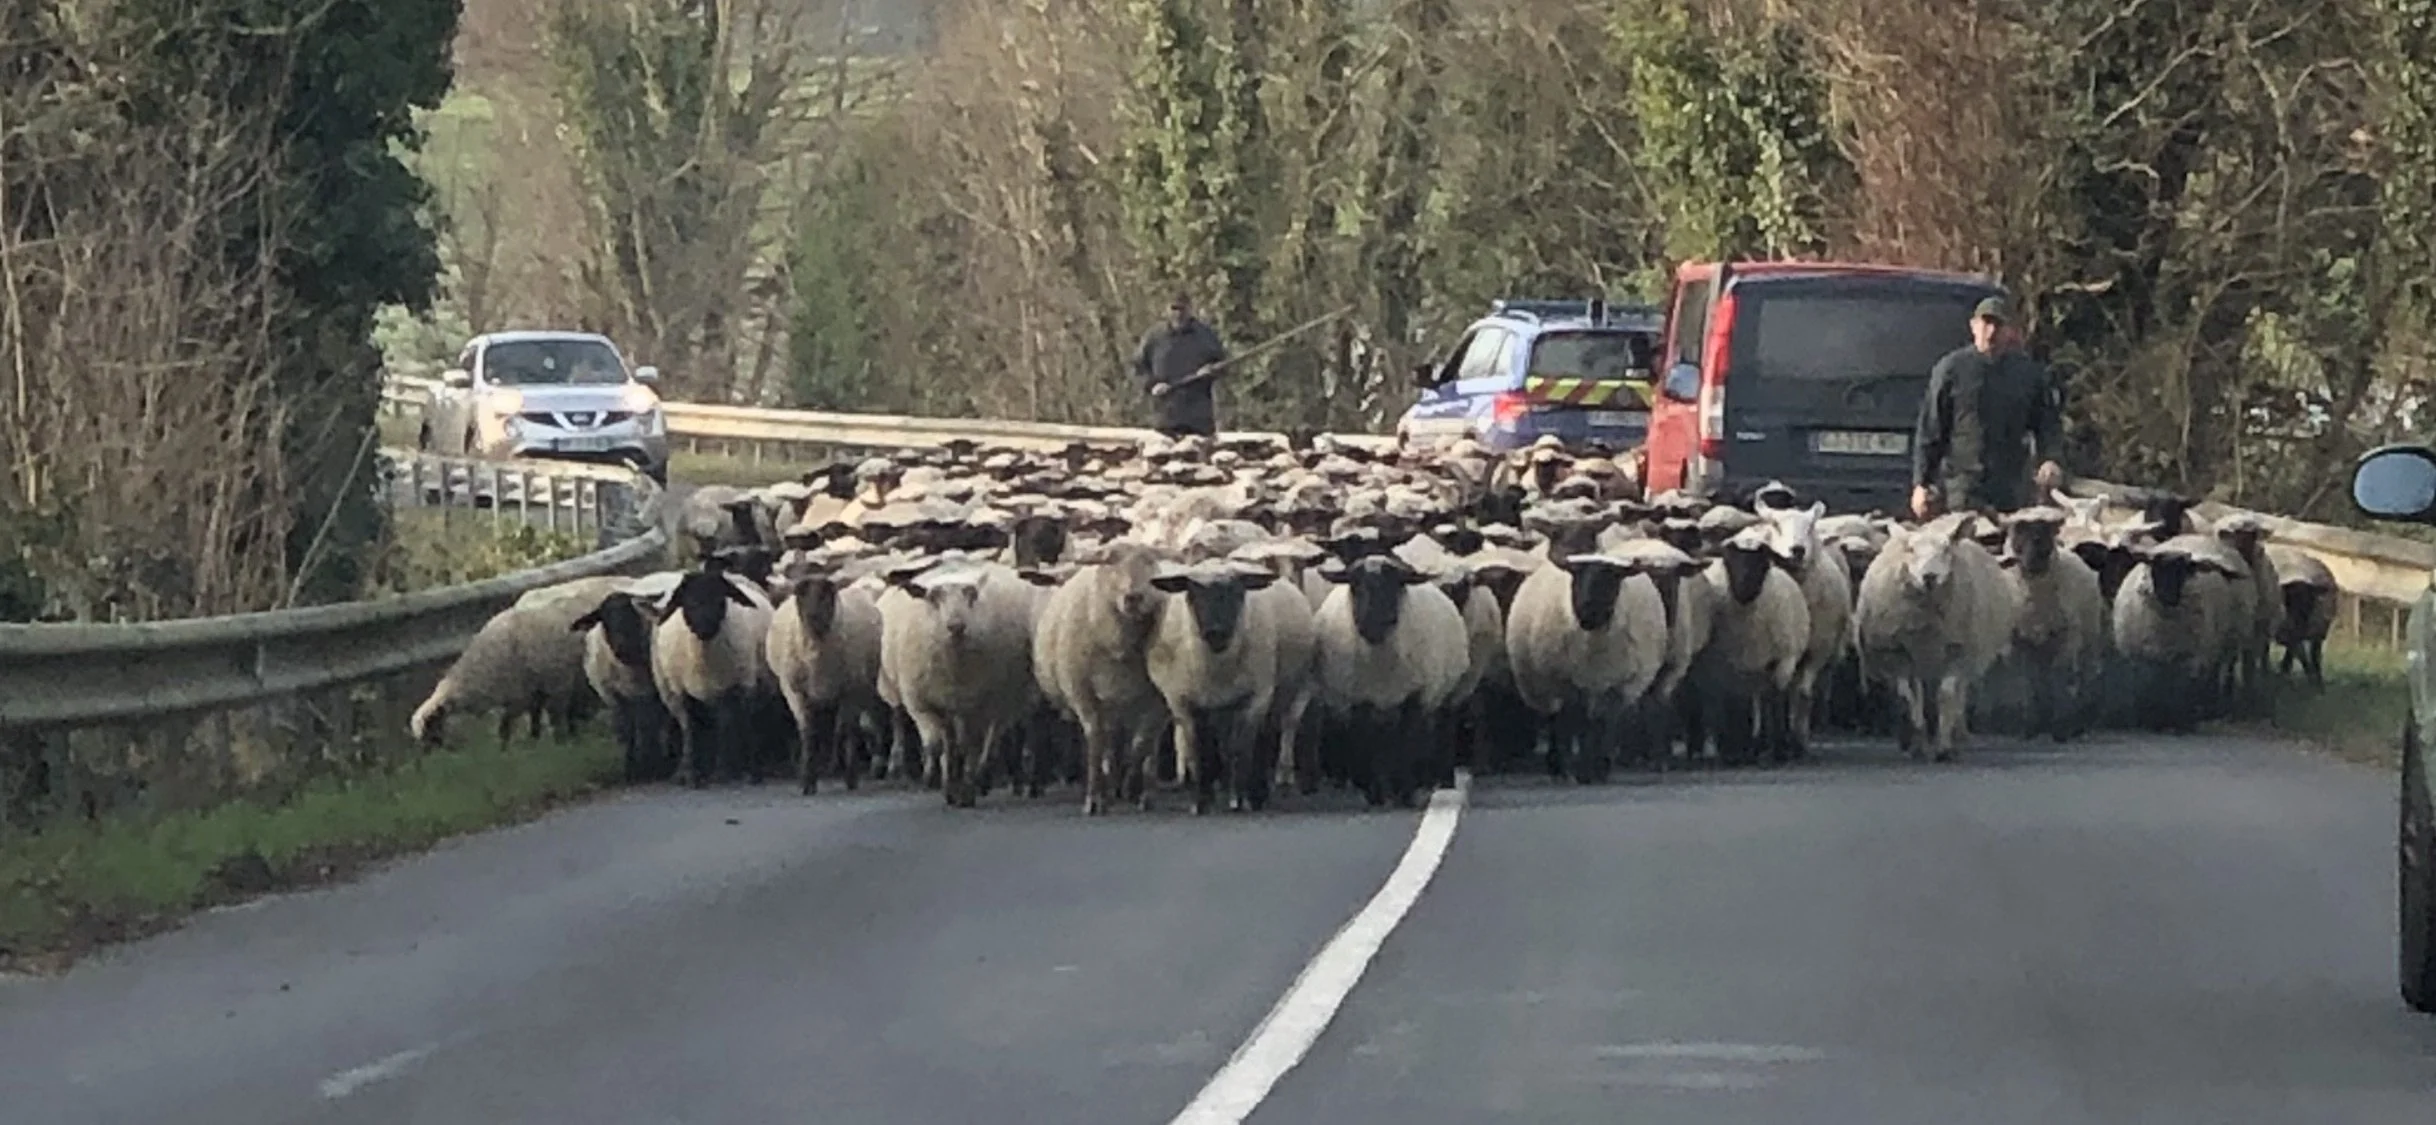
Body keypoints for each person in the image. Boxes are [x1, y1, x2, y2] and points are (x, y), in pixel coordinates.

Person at [1911, 295, 2065, 520]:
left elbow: (2047, 424)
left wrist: (2050, 459)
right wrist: (1921, 484)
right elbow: (1931, 430)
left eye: (1998, 324)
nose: (1991, 331)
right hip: (1962, 488)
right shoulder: (1951, 370)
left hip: (2010, 489)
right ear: (1973, 326)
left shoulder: (2027, 374)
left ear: (2009, 331)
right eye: (1986, 323)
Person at [1133, 293, 1229, 439]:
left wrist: (1211, 371)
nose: (1178, 314)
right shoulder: (1154, 336)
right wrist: (1152, 385)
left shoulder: (1205, 335)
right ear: (1166, 309)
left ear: (1190, 309)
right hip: (1164, 420)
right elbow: (1138, 368)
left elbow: (1222, 365)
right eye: (1174, 309)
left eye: (1182, 309)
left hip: (1198, 420)